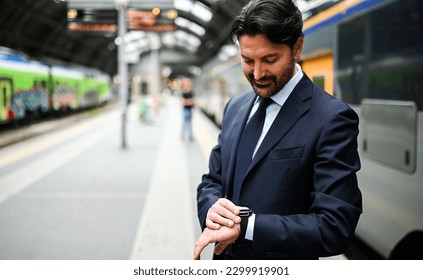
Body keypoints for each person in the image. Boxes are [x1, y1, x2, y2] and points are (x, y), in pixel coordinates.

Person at [193, 0, 362, 260]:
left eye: (269, 59)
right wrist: (211, 208)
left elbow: (334, 226)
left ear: (297, 48)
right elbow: (212, 180)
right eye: (247, 60)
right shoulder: (235, 108)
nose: (258, 73)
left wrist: (247, 226)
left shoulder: (332, 119)